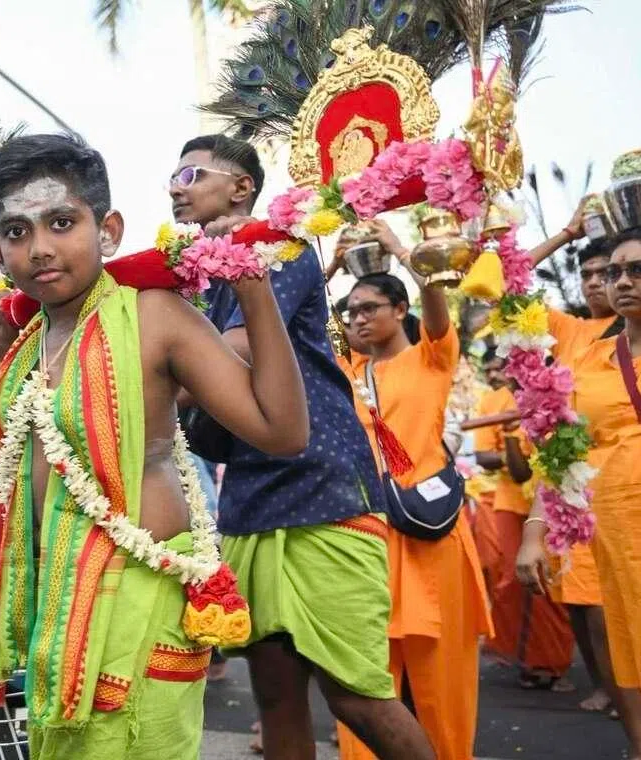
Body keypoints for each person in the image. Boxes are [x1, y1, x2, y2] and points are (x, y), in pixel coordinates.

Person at [0, 132, 309, 760]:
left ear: (108, 230)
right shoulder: (27, 342)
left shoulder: (152, 314)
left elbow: (282, 430)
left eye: (61, 222)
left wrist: (253, 287)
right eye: (18, 232)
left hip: (142, 599)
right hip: (62, 603)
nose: (41, 248)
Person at [171, 135, 434, 760]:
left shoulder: (275, 246)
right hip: (253, 496)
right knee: (276, 696)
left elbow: (232, 349)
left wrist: (140, 380)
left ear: (240, 187)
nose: (175, 186)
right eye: (173, 176)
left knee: (357, 695)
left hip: (320, 486)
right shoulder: (201, 271)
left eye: (190, 173)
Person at [337, 257, 492, 760]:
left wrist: (406, 253)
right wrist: (334, 261)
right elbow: (300, 314)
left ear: (399, 309)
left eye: (368, 308)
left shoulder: (432, 357)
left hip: (427, 534)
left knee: (440, 677)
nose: (357, 318)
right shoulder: (348, 370)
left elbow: (436, 302)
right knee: (367, 675)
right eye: (349, 310)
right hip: (367, 535)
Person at [518, 227, 641, 759]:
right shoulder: (590, 361)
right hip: (612, 530)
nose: (620, 282)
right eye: (611, 272)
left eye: (639, 270)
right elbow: (562, 453)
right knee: (624, 643)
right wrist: (534, 532)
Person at [527, 207, 621, 714]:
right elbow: (505, 283)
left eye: (606, 274)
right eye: (586, 275)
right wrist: (566, 233)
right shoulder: (571, 331)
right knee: (583, 603)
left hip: (633, 483)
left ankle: (629, 689)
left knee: (615, 606)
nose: (594, 284)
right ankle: (610, 687)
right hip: (573, 488)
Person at [473, 349, 575, 691]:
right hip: (509, 501)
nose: (509, 371)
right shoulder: (493, 402)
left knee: (548, 583)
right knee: (509, 582)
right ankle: (517, 655)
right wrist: (513, 438)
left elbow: (551, 460)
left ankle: (549, 663)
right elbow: (490, 459)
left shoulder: (556, 393)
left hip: (549, 505)